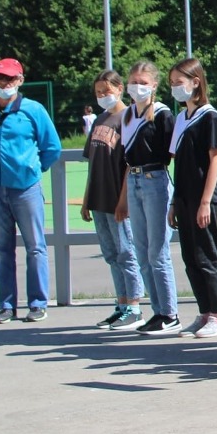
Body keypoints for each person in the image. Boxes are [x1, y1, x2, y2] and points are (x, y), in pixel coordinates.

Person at [0, 58, 62, 324]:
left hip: (26, 189)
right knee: (2, 250)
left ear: (20, 81)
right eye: (1, 78)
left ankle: (37, 303)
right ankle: (6, 306)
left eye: (11, 79)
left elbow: (52, 148)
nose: (5, 83)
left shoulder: (33, 110)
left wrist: (31, 170)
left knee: (35, 247)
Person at [119, 61, 179, 337]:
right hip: (134, 179)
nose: (137, 86)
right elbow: (126, 158)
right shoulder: (128, 115)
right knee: (141, 250)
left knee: (158, 251)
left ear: (154, 85)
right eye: (134, 81)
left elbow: (172, 153)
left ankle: (169, 312)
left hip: (155, 179)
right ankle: (157, 311)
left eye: (144, 82)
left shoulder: (163, 114)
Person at [168, 58, 217, 338]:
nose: (175, 88)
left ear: (196, 82)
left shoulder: (210, 116)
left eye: (179, 82)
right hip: (184, 196)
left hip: (204, 197)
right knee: (190, 255)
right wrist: (173, 201)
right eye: (172, 83)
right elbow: (177, 162)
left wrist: (206, 201)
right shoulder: (181, 118)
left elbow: (215, 160)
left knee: (206, 254)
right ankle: (204, 311)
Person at [82, 71, 142, 329]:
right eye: (98, 92)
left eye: (107, 91)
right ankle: (121, 304)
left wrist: (123, 200)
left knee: (126, 252)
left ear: (119, 89)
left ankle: (135, 307)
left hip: (117, 198)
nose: (102, 96)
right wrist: (86, 199)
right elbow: (92, 164)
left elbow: (130, 163)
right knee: (111, 254)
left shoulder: (127, 117)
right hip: (99, 198)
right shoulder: (99, 121)